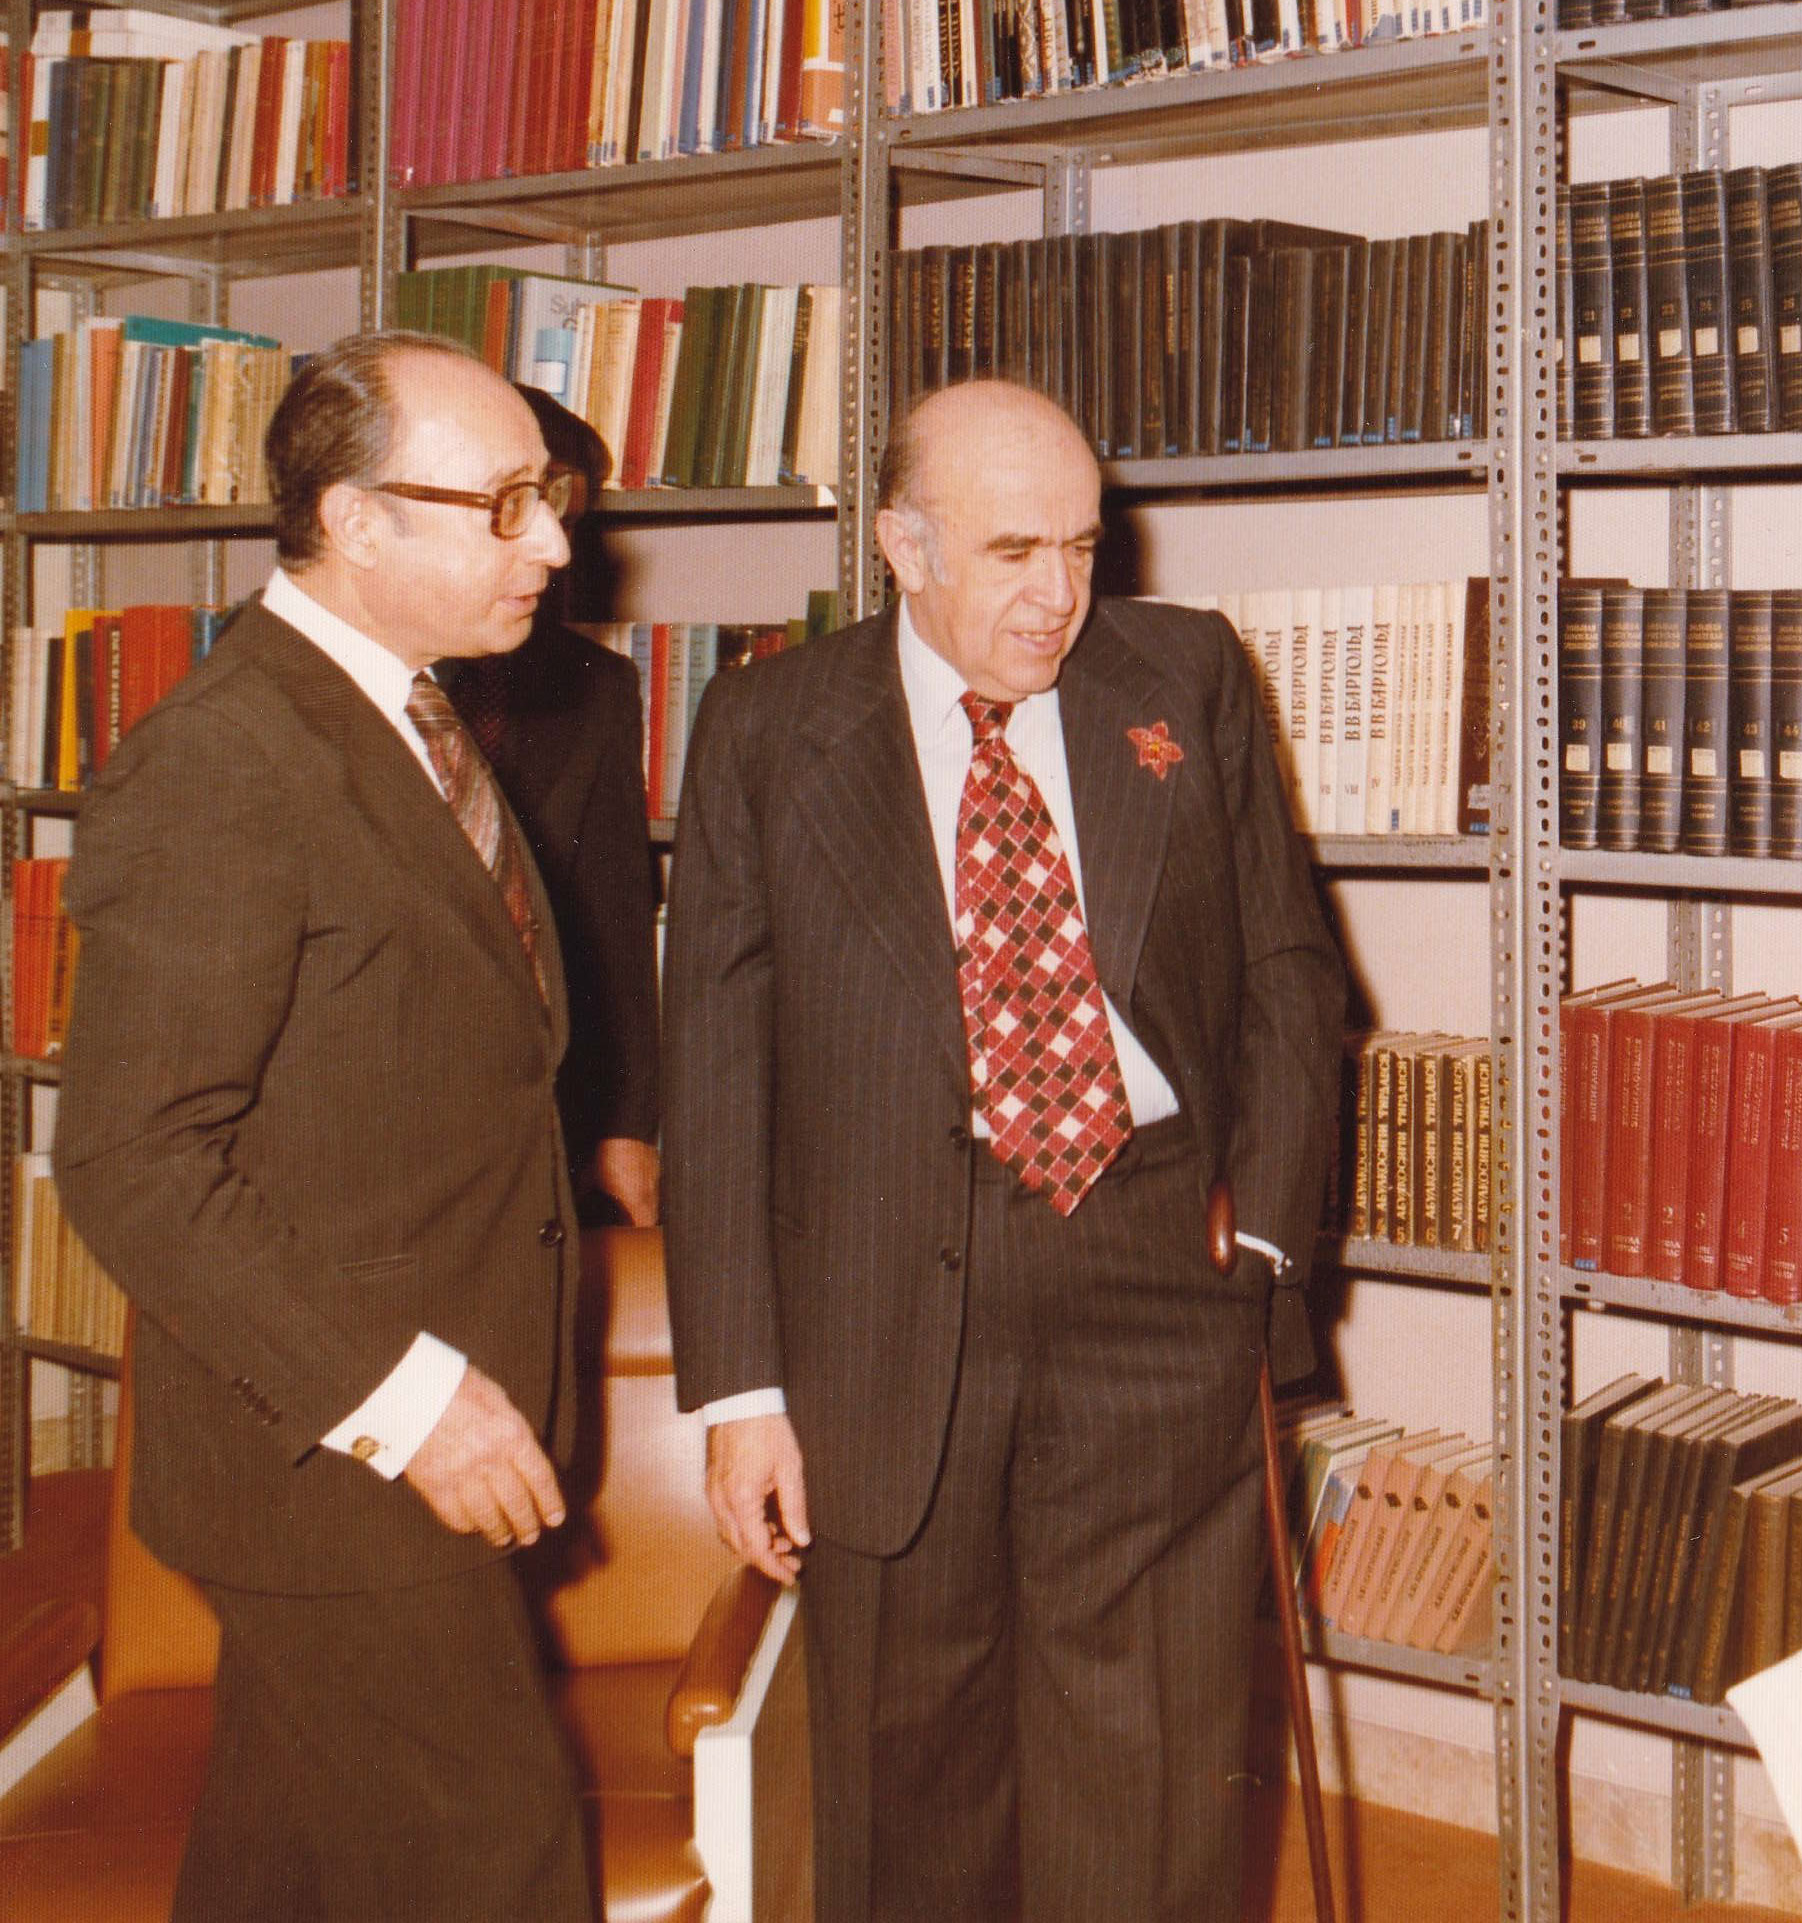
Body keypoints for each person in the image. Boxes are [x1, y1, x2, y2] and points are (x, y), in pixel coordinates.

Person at [660, 376, 1345, 1923]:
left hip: (1156, 1264)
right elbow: (717, 1069)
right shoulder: (769, 728)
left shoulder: (1183, 678)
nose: (1059, 597)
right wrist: (743, 1395)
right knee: (908, 1775)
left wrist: (1261, 1239)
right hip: (882, 1297)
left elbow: (1291, 974)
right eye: (1014, 551)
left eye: (1085, 547)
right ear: (903, 547)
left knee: (1150, 1770)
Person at [54, 332, 592, 1923]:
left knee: (282, 1868)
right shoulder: (223, 764)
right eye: (506, 503)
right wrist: (412, 1406)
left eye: (548, 498)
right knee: (497, 1865)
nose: (556, 545)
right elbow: (134, 1159)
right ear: (356, 522)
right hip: (343, 1460)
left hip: (399, 1443)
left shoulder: (400, 717)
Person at [442, 384, 661, 1227]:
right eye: (527, 501)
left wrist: (626, 1130)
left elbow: (614, 918)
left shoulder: (596, 686)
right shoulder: (365, 676)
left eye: (567, 509)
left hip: (540, 1112)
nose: (552, 543)